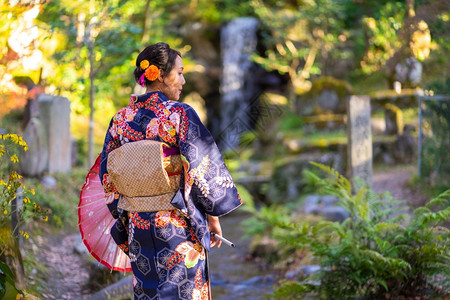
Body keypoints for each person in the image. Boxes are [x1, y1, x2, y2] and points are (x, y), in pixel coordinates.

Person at [99, 42, 242, 299]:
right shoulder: (180, 114)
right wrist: (212, 217)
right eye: (179, 72)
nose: (183, 80)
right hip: (177, 225)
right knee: (184, 291)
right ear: (161, 76)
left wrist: (128, 212)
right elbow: (202, 165)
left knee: (147, 291)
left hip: (138, 225)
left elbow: (107, 176)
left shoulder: (120, 120)